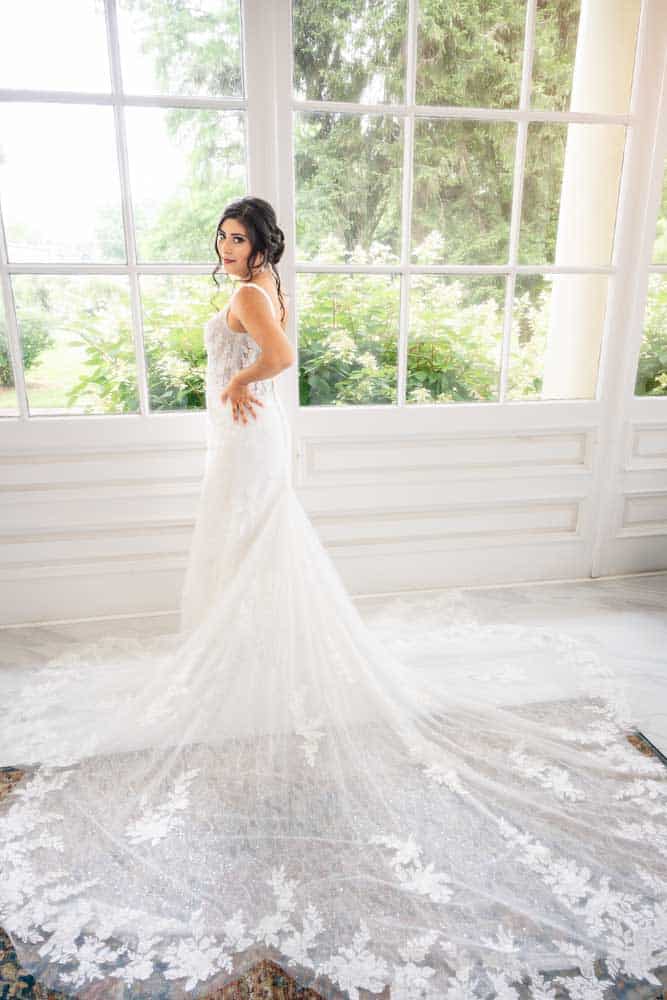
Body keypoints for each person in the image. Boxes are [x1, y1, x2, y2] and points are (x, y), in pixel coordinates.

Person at [0, 196, 665, 1000]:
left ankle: (240, 659)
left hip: (249, 433)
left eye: (237, 237)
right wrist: (243, 379)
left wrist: (240, 376)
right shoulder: (267, 281)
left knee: (250, 541)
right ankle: (251, 655)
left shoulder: (251, 293)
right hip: (253, 433)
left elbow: (276, 358)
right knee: (253, 545)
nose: (226, 246)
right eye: (221, 236)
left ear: (261, 244)